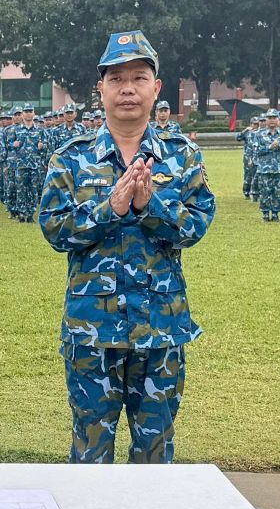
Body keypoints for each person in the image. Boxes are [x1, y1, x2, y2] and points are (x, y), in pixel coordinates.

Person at [39, 30, 215, 464]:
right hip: (93, 330)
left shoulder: (182, 156)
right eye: (117, 79)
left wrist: (149, 205)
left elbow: (195, 227)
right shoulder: (72, 157)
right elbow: (55, 230)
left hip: (161, 328)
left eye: (139, 77)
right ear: (101, 89)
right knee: (90, 446)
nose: (128, 88)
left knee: (155, 450)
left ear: (156, 88)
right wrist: (111, 209)